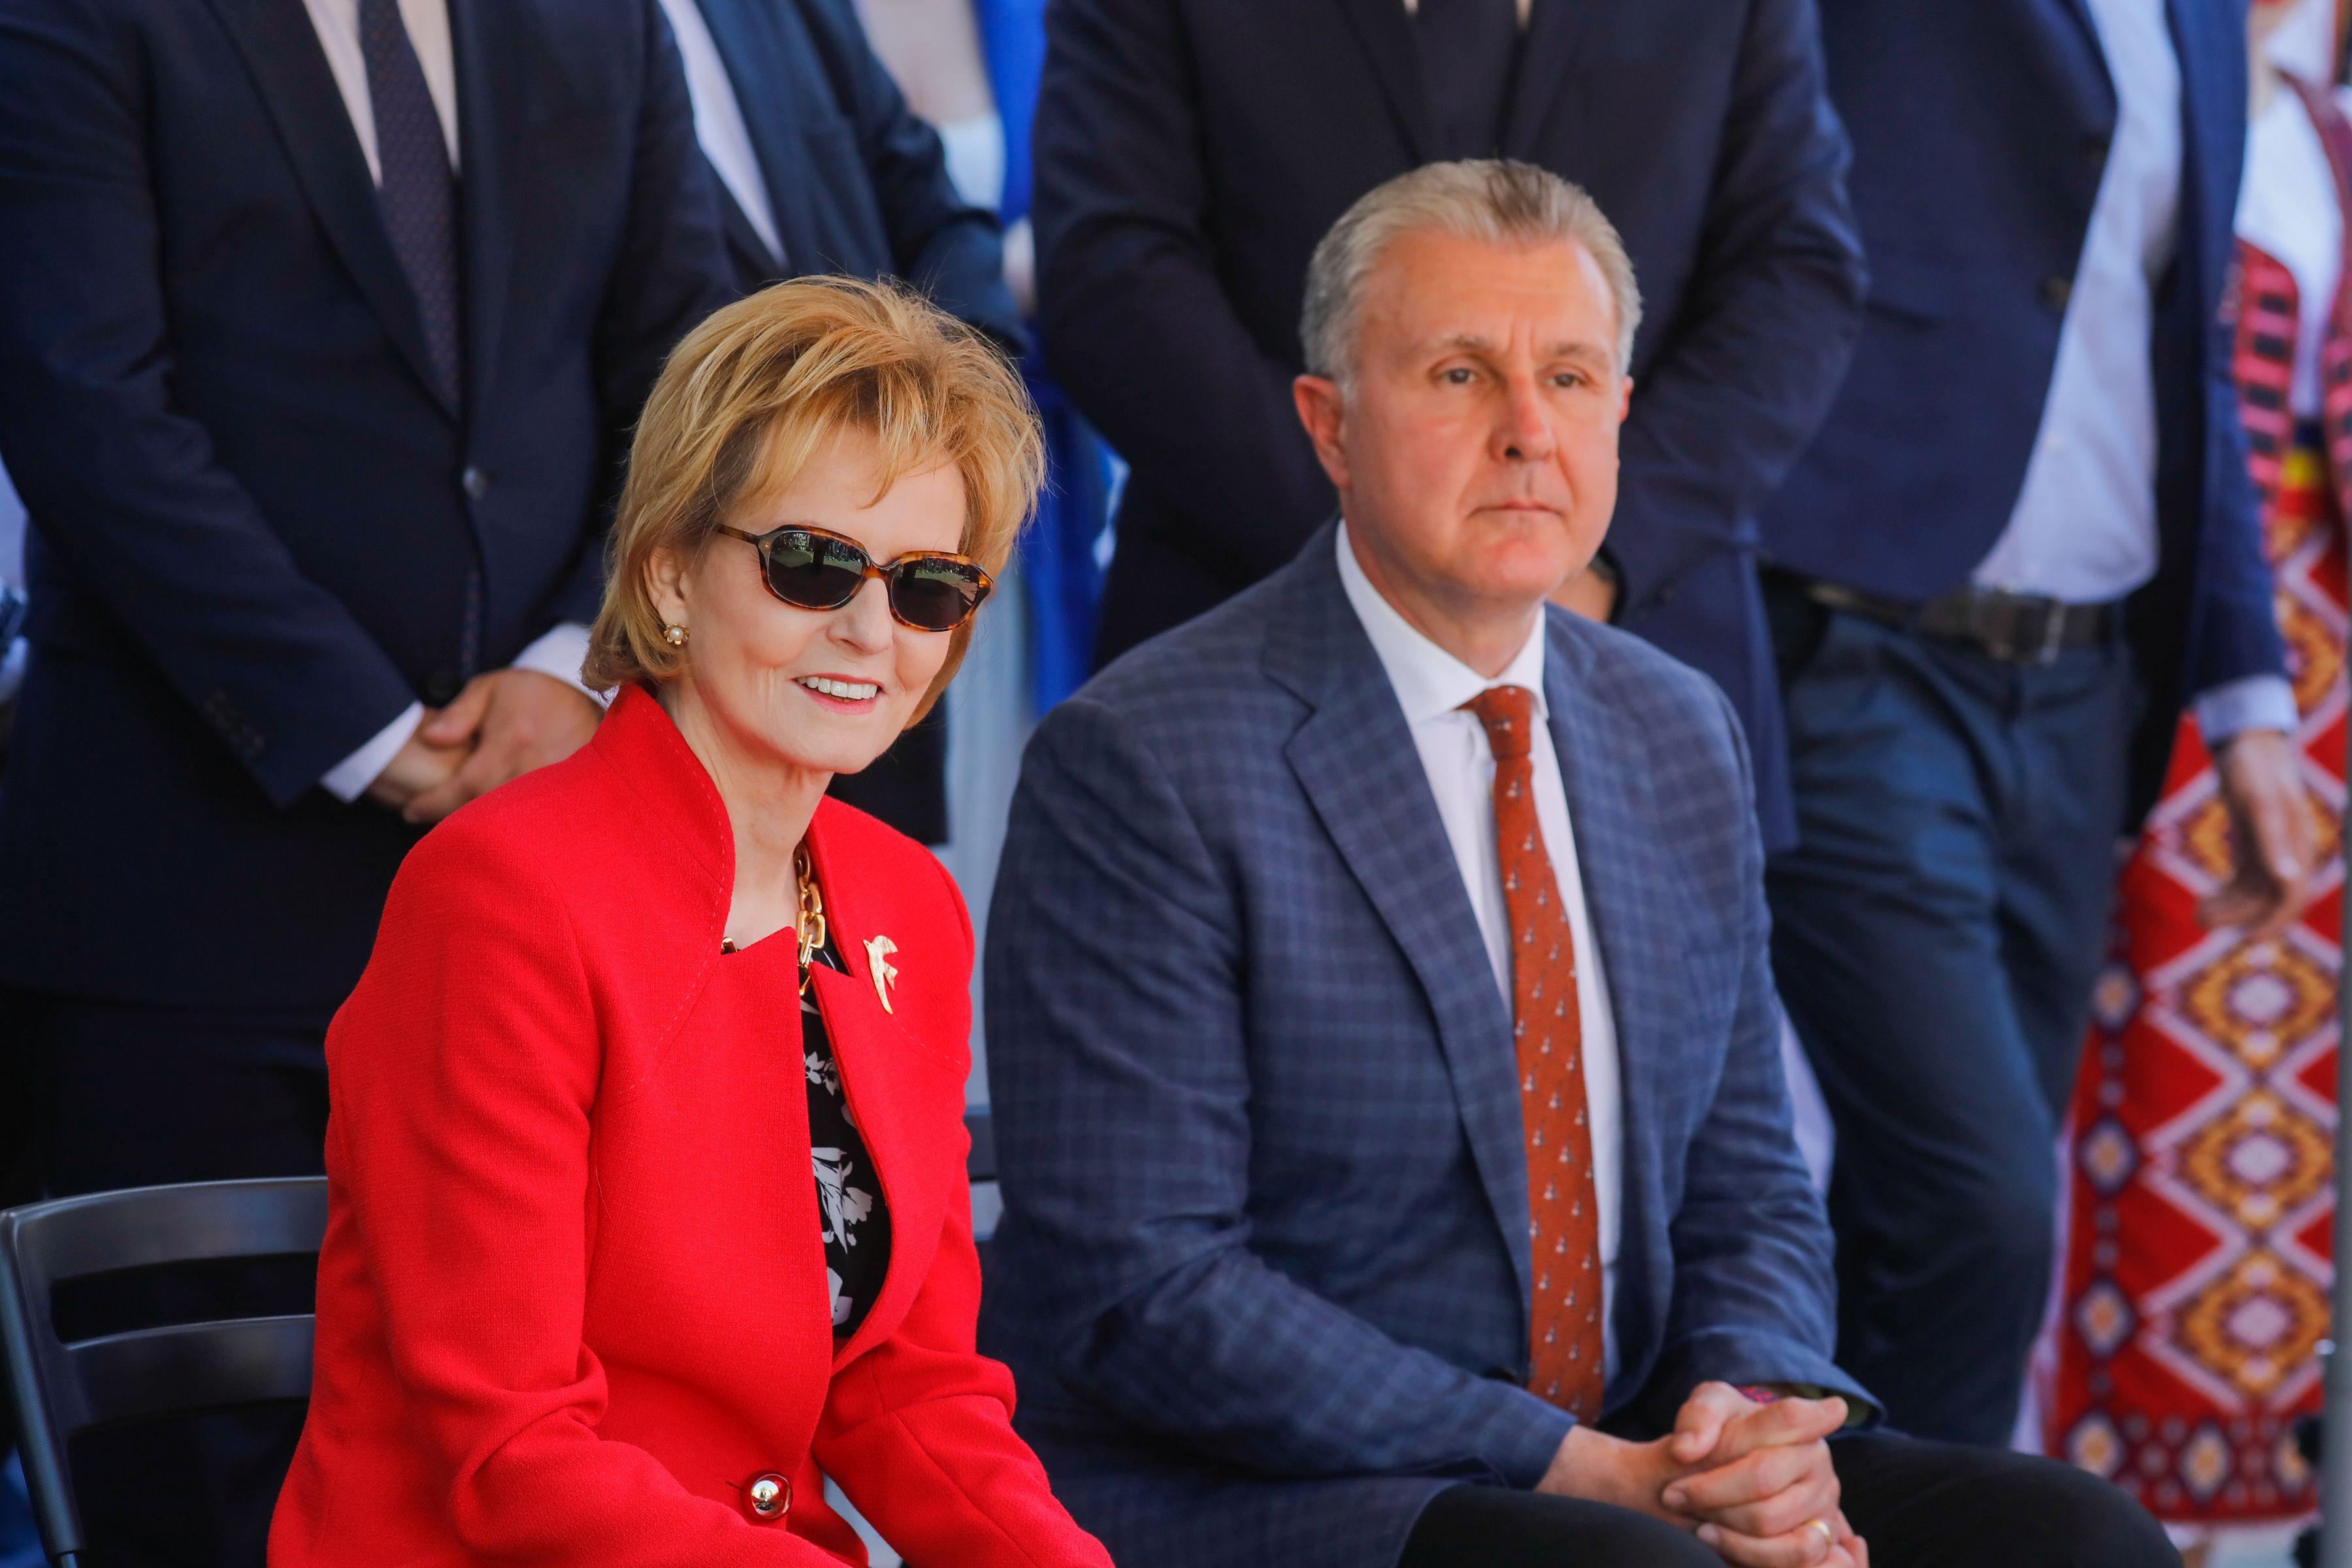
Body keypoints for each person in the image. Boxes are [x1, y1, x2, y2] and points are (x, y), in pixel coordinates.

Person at [981, 160, 2174, 1568]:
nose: (1527, 432)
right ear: (1330, 425)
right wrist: (1574, 1469)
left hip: (1635, 1446)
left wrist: (1750, 1425)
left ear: (1620, 411)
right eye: (1459, 375)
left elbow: (1747, 1182)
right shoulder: (1143, 757)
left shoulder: (1680, 727)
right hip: (1277, 1482)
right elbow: (1147, 1288)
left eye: (1570, 376)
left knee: (2078, 1539)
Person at [0, 0, 729, 1558]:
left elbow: (693, 372)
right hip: (195, 905)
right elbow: (81, 398)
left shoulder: (602, 20)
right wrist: (368, 732)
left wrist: (577, 664)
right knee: (205, 1493)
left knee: (546, 1456)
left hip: (549, 890)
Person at [271, 277, 1110, 1568]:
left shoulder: (909, 904)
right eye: (812, 564)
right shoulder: (499, 895)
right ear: (669, 573)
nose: (870, 629)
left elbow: (909, 1386)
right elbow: (517, 1455)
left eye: (929, 588)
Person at [1757, 0, 2313, 1446]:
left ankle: (1857, 1520)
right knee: (1982, 1205)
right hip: (1861, 652)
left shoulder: (2206, 22)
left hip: (2083, 696)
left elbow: (2187, 363)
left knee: (1937, 1220)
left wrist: (2245, 700)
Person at [1031, 0, 1867, 849]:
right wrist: (1388, 561)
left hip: (1645, 636)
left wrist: (1592, 554)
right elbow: (1113, 272)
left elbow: (1795, 274)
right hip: (1249, 642)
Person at [2049, 0, 2347, 1527]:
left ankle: (2268, 1476)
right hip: (2192, 621)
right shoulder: (2151, 71)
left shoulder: (2321, 133)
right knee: (2137, 1038)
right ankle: (2110, 1475)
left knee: (2299, 1106)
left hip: (2320, 660)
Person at [659, 0, 1024, 843]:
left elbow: (932, 207)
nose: (872, 626)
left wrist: (944, 423)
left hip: (874, 763)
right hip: (664, 671)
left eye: (936, 585)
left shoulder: (790, 10)